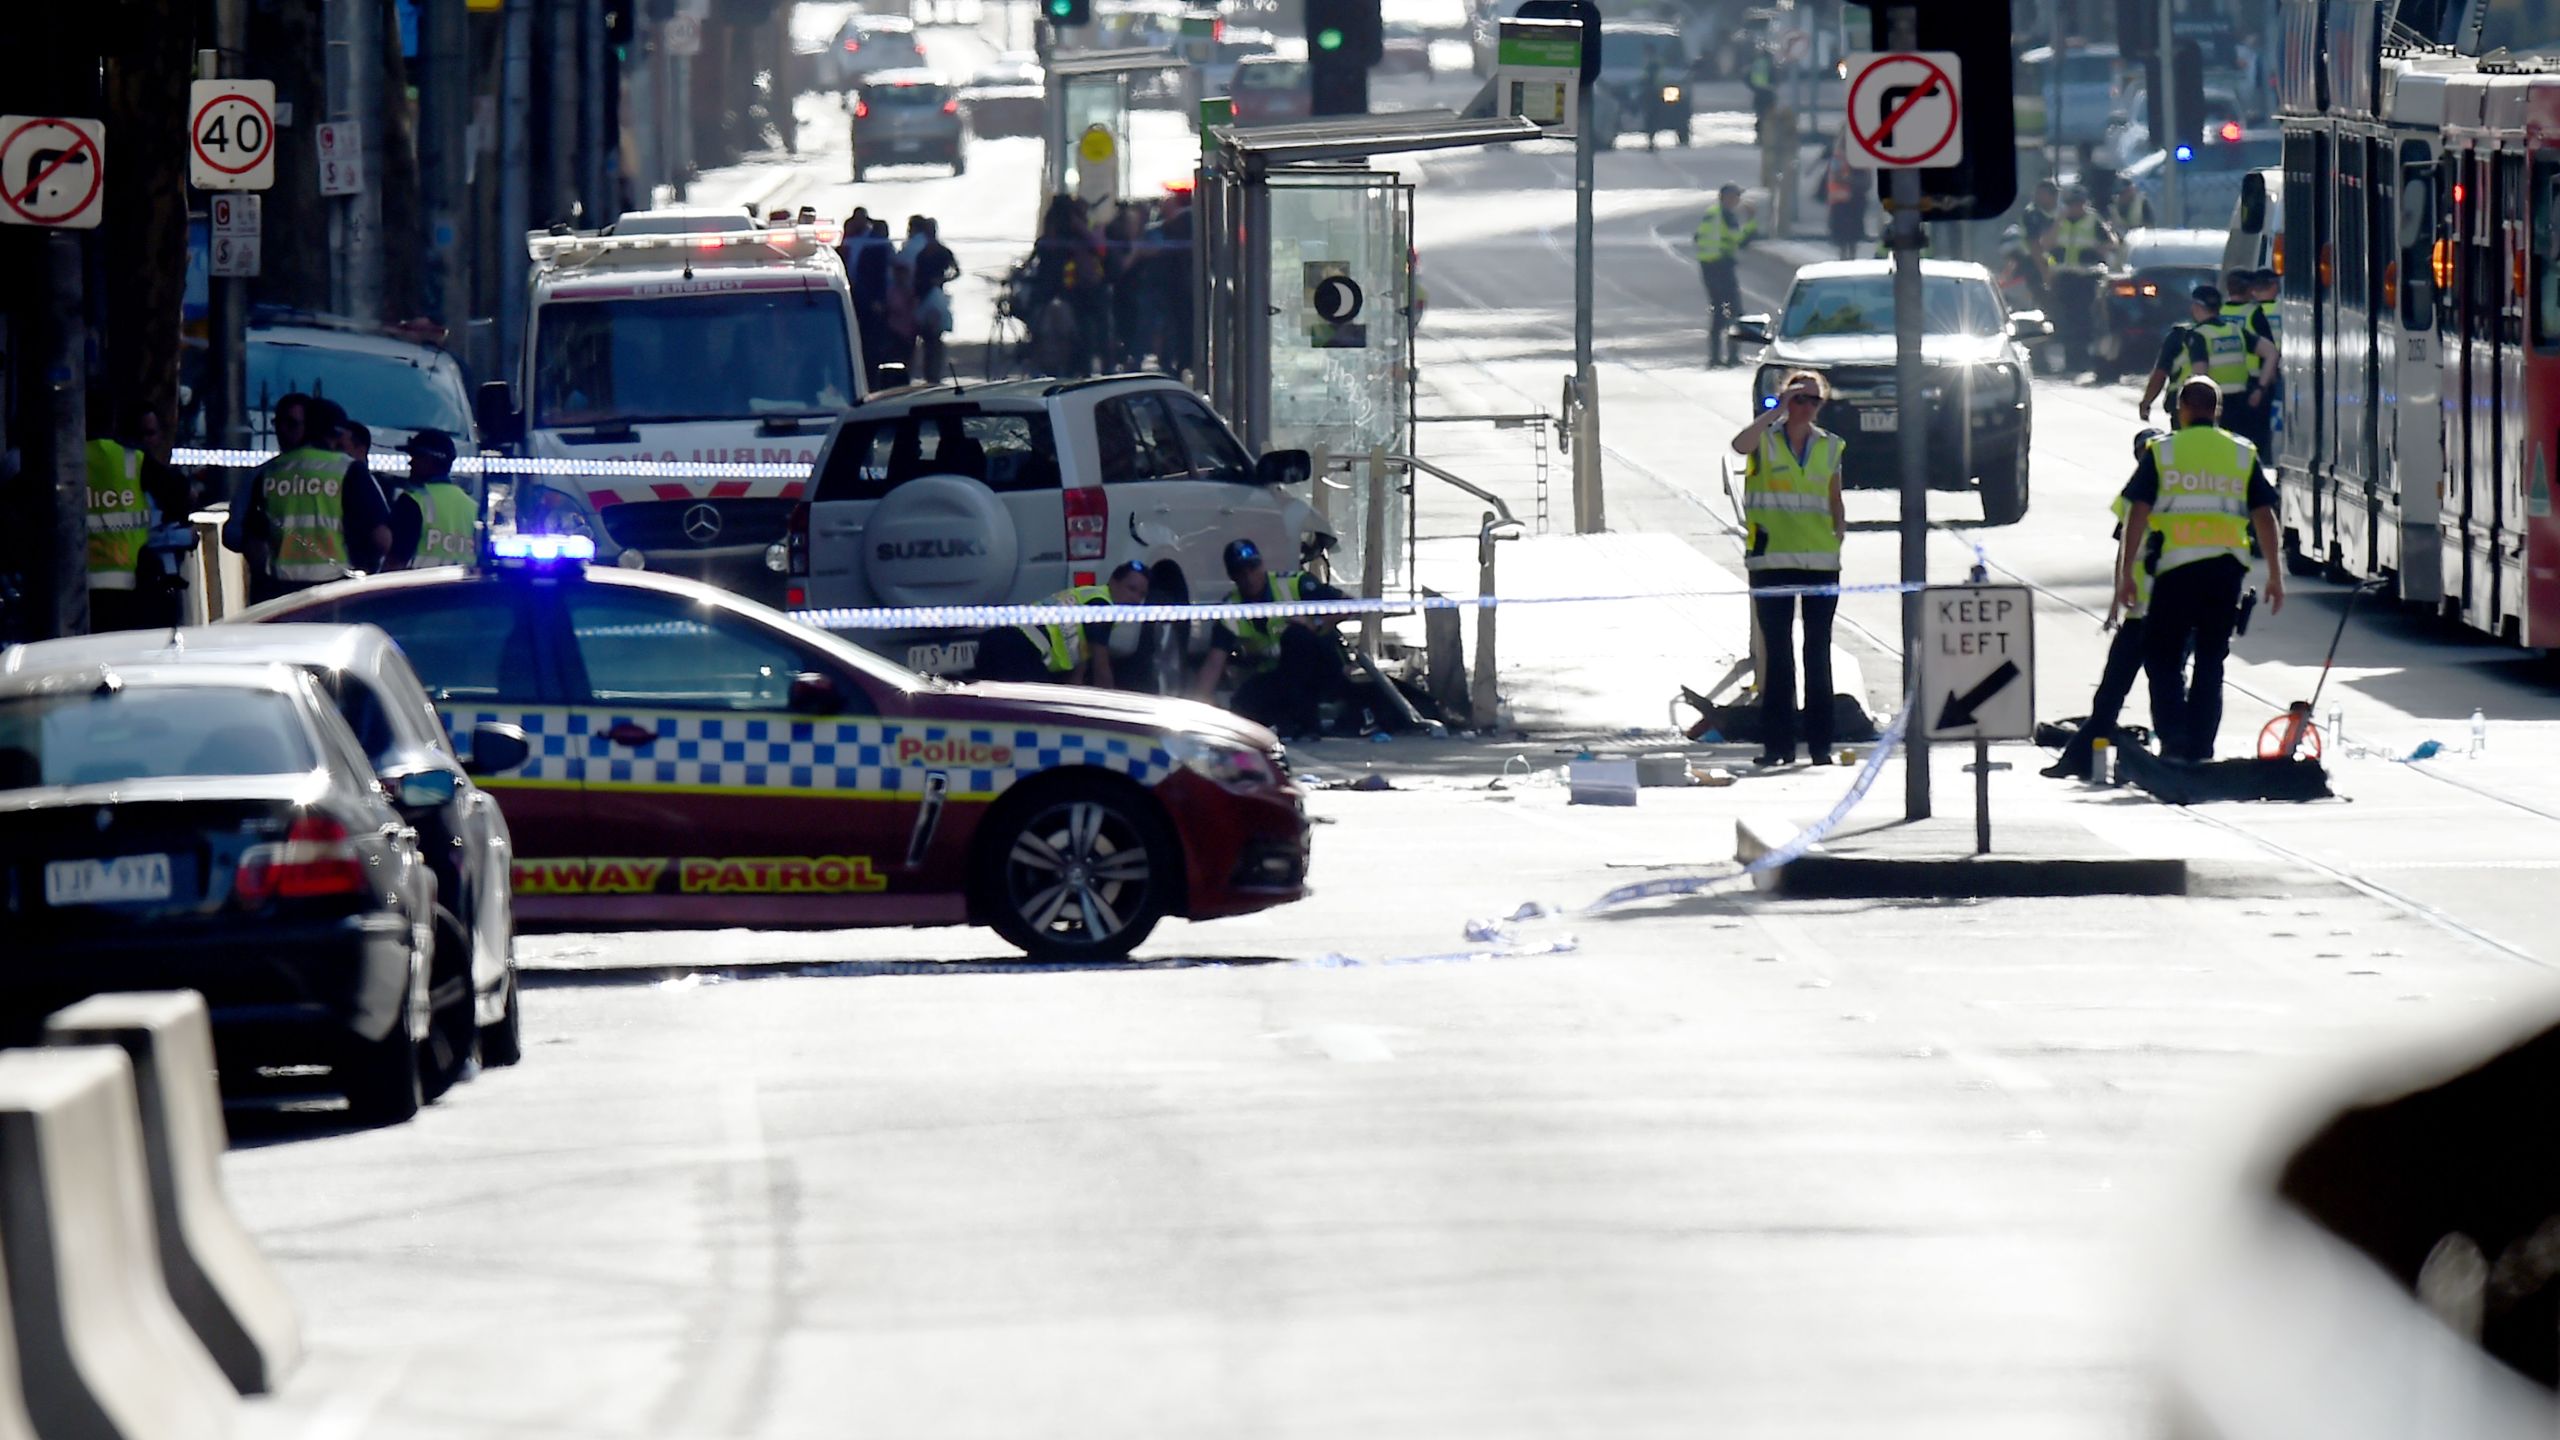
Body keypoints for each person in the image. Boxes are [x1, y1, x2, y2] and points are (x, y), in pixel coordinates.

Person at [2117, 378, 2286, 763]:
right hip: (2225, 573)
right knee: (2211, 660)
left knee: (2163, 659)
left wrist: (2126, 574)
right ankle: (2202, 747)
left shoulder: (2163, 452)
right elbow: (2265, 515)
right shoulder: (2242, 453)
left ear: (2181, 410)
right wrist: (2275, 575)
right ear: (2218, 410)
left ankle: (2174, 741)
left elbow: (2138, 513)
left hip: (2175, 571)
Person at [1730, 369, 1847, 767]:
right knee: (1777, 656)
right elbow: (1738, 444)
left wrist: (1838, 533)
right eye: (1799, 399)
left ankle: (1820, 747)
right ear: (1785, 399)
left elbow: (1834, 497)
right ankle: (1777, 747)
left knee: (1818, 653)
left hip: (1820, 562)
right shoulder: (1765, 439)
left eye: (1814, 401)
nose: (1806, 407)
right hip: (1772, 559)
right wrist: (1773, 412)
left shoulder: (1829, 446)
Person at [2044, 428, 2169, 779]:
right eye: (2141, 454)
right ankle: (2080, 757)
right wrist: (2117, 599)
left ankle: (2170, 760)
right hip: (2141, 610)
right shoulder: (2138, 495)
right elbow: (2123, 550)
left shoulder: (2177, 491)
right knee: (2113, 690)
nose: (2146, 459)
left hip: (2165, 610)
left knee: (2163, 690)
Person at [1192, 538, 1351, 737]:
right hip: (1279, 675)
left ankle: (1306, 721)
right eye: (1240, 572)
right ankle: (1285, 718)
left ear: (1262, 564)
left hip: (1320, 671)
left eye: (1253, 568)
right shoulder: (1230, 608)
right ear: (1232, 576)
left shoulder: (1295, 584)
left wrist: (1315, 624)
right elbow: (1214, 663)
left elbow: (1350, 605)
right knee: (1241, 707)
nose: (1248, 577)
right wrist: (1197, 708)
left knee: (1296, 636)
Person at [247, 396, 371, 594]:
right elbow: (379, 538)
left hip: (280, 587)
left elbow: (254, 540)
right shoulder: (347, 469)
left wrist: (263, 581)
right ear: (337, 434)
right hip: (335, 585)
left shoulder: (270, 472)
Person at [973, 562, 1150, 686]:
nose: (1135, 599)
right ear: (1113, 582)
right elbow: (1101, 668)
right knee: (1032, 717)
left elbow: (1080, 667)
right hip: (1017, 649)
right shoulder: (1101, 606)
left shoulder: (1090, 598)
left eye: (1141, 595)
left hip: (1000, 641)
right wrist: (1114, 714)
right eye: (1131, 589)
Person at [223, 392, 312, 603]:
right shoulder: (260, 476)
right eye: (277, 422)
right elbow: (233, 533)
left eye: (291, 423)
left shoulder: (334, 474)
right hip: (273, 591)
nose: (281, 430)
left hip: (314, 590)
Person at [2136, 284, 2261, 424]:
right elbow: (2271, 352)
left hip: (2191, 407)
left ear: (2195, 306)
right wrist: (2260, 387)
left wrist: (2146, 402)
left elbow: (2160, 374)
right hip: (2235, 405)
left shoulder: (2181, 336)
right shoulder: (2234, 330)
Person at [83, 415, 153, 632]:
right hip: (128, 583)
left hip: (76, 586)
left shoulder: (64, 459)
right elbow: (178, 494)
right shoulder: (133, 459)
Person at [2045, 186, 2117, 374]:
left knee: (2084, 318)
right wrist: (2058, 222)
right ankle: (2070, 360)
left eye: (2077, 204)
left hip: (2087, 277)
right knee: (2066, 319)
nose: (2074, 207)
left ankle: (2082, 360)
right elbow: (2047, 244)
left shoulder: (2093, 220)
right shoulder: (2058, 220)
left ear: (2084, 204)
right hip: (2064, 277)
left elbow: (2112, 242)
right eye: (2070, 204)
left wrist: (2097, 247)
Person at [385, 429, 478, 570]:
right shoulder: (472, 507)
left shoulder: (412, 502)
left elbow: (394, 562)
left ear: (429, 460)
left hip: (417, 589)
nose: (410, 464)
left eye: (415, 457)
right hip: (463, 591)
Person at [1695, 185, 1758, 368]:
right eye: (1736, 196)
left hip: (1708, 267)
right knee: (1733, 311)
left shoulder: (1712, 212)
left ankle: (1715, 357)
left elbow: (1698, 237)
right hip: (1721, 267)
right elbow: (1739, 240)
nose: (1738, 200)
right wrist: (1752, 221)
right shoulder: (1726, 215)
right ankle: (1732, 357)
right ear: (1727, 197)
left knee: (1719, 311)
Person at [905, 216, 960, 382]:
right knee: (932, 338)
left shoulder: (928, 251)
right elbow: (956, 271)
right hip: (929, 295)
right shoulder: (936, 251)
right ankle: (931, 373)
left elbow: (956, 271)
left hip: (928, 296)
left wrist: (942, 280)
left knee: (928, 337)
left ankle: (928, 373)